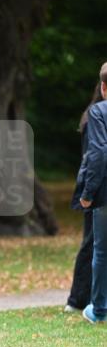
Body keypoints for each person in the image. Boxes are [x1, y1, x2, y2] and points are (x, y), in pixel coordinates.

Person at [64, 75, 105, 313]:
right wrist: (89, 191)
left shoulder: (95, 114)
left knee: (95, 244)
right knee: (92, 243)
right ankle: (78, 299)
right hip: (96, 186)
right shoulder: (95, 116)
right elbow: (93, 158)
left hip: (96, 185)